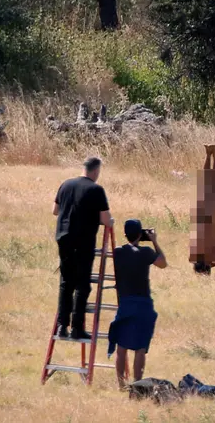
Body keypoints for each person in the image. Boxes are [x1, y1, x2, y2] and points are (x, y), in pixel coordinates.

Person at [52, 156, 113, 341]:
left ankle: (62, 326)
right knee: (82, 285)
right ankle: (77, 328)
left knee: (65, 283)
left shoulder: (65, 184)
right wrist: (110, 221)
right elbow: (105, 219)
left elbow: (55, 210)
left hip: (63, 238)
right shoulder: (96, 189)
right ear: (96, 171)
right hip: (83, 241)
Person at [108, 219, 167, 389]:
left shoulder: (118, 252)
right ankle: (137, 385)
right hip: (143, 303)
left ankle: (121, 384)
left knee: (122, 346)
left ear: (125, 235)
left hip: (125, 302)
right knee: (140, 347)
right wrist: (154, 240)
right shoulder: (146, 252)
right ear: (141, 235)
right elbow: (162, 264)